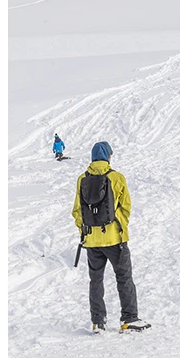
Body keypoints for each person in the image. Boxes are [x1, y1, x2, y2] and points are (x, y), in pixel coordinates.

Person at [72, 141, 150, 334]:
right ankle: (129, 319)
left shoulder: (82, 178)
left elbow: (77, 211)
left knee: (95, 280)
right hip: (115, 239)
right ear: (108, 156)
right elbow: (126, 207)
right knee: (124, 278)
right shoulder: (117, 177)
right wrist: (118, 226)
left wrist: (87, 230)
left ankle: (98, 322)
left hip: (91, 241)